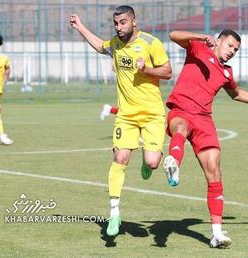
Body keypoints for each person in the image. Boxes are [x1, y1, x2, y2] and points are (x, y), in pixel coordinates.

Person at [163, 30, 248, 248]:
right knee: (180, 129)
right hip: (181, 110)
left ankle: (217, 234)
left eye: (236, 50)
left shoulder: (227, 73)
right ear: (219, 40)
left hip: (204, 121)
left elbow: (237, 94)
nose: (232, 51)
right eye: (230, 46)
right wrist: (201, 37)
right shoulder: (197, 47)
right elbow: (173, 35)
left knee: (215, 171)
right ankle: (173, 162)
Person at [69, 5, 172, 236]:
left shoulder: (150, 42)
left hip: (153, 114)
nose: (119, 27)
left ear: (134, 21)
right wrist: (80, 27)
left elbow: (167, 71)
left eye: (123, 22)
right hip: (126, 115)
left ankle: (149, 163)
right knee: (120, 157)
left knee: (153, 162)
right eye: (116, 23)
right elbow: (99, 46)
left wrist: (147, 70)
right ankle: (114, 213)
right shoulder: (115, 44)